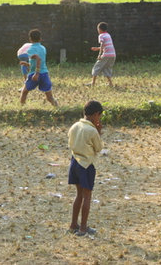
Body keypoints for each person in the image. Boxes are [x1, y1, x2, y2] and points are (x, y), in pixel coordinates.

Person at [68, 100, 103, 236]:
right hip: (86, 165)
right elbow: (99, 148)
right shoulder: (92, 130)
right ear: (95, 115)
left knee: (79, 195)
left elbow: (70, 142)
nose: (99, 119)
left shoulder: (75, 126)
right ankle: (83, 228)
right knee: (87, 196)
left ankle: (73, 224)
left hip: (74, 163)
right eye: (99, 116)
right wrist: (99, 132)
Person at [20, 29, 58, 107]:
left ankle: (21, 109)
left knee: (24, 92)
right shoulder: (43, 48)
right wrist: (27, 64)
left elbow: (38, 59)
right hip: (44, 73)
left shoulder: (30, 49)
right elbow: (39, 62)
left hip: (35, 74)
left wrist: (36, 73)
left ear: (30, 39)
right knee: (49, 97)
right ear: (40, 39)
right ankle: (57, 108)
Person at [88, 22, 116, 87]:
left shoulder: (101, 36)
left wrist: (99, 55)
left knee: (96, 67)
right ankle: (110, 84)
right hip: (113, 55)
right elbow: (106, 46)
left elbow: (102, 44)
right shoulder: (108, 35)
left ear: (99, 29)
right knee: (106, 68)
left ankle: (93, 83)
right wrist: (97, 48)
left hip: (106, 55)